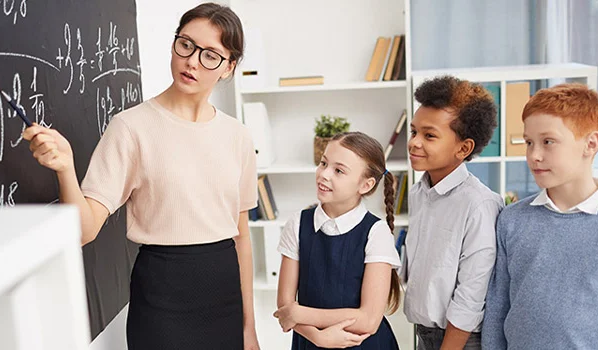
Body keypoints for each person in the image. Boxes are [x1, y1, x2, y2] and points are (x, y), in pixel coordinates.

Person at [22, 3, 260, 349]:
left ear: (229, 67)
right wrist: (66, 168)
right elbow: (84, 230)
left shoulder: (238, 137)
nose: (192, 61)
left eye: (210, 55)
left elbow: (241, 236)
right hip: (162, 294)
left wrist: (248, 326)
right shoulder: (130, 127)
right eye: (186, 45)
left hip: (223, 293)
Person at [482, 83, 598, 349]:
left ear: (591, 143)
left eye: (548, 142)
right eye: (529, 142)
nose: (533, 156)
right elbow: (497, 309)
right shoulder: (512, 220)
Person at [273, 131, 401, 349]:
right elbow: (285, 309)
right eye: (323, 163)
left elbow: (369, 320)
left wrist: (300, 313)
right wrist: (318, 337)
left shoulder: (376, 233)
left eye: (339, 170)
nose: (324, 174)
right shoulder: (297, 225)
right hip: (310, 343)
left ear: (366, 185)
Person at [402, 76, 503, 349]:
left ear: (463, 148)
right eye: (414, 132)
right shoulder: (418, 193)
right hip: (425, 334)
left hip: (460, 341)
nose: (414, 143)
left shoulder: (479, 205)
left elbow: (472, 293)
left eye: (429, 135)